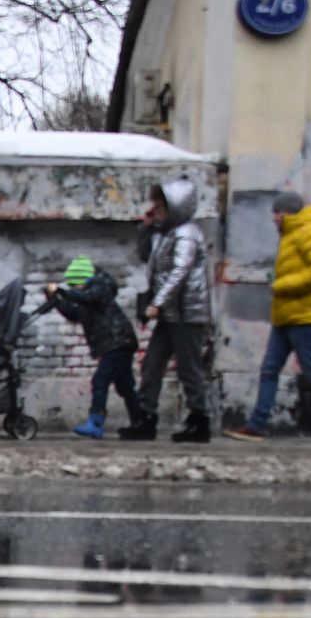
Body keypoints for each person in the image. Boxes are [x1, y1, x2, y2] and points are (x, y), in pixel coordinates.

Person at [223, 192, 311, 446]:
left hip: (304, 316)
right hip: (287, 315)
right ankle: (256, 426)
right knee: (270, 369)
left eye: (277, 213)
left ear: (288, 212)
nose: (274, 218)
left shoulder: (307, 230)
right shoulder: (292, 234)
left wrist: (283, 284)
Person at [123, 178, 213, 444]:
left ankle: (199, 421)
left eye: (161, 205)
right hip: (170, 314)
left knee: (189, 368)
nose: (157, 209)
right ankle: (145, 418)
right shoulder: (165, 234)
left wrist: (156, 303)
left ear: (175, 206)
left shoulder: (187, 233)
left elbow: (180, 272)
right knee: (152, 364)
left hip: (187, 313)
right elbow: (144, 256)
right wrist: (145, 228)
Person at [46, 255, 148, 440]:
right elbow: (74, 313)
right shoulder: (87, 296)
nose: (74, 289)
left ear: (82, 279)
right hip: (115, 344)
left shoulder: (100, 288)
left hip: (117, 342)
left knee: (100, 380)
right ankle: (140, 423)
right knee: (125, 387)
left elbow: (87, 297)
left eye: (74, 284)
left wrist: (60, 290)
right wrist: (56, 300)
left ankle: (96, 422)